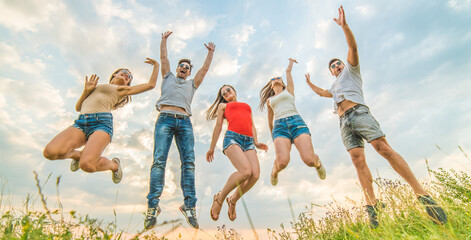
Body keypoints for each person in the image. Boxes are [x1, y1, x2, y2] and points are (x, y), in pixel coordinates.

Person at [305, 6, 447, 228]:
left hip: (359, 113)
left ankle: (422, 195)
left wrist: (344, 26)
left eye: (337, 63)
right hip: (343, 122)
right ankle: (372, 206)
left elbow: (352, 46)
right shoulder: (334, 86)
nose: (336, 66)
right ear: (331, 72)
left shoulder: (351, 71)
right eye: (332, 66)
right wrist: (309, 83)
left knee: (383, 148)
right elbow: (321, 92)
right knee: (357, 159)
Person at [43, 58, 160, 184]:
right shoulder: (95, 87)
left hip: (101, 124)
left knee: (87, 165)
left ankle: (114, 166)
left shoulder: (121, 90)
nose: (127, 75)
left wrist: (156, 66)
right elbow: (78, 108)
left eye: (129, 77)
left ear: (127, 84)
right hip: (81, 122)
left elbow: (150, 85)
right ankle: (77, 155)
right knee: (50, 152)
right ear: (114, 74)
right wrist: (86, 91)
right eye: (124, 72)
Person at [144, 31, 215, 230]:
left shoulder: (192, 84)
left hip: (184, 122)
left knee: (189, 163)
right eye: (181, 66)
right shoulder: (167, 77)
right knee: (159, 160)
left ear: (189, 73)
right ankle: (152, 206)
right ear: (177, 69)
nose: (183, 68)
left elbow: (205, 68)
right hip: (165, 120)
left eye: (187, 68)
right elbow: (163, 58)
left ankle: (189, 206)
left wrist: (210, 52)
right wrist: (163, 39)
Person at [259, 58, 326, 186]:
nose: (275, 79)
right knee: (282, 162)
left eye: (278, 78)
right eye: (272, 79)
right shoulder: (270, 100)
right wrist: (273, 135)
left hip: (297, 123)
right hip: (279, 128)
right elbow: (269, 120)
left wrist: (290, 62)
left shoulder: (289, 91)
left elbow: (288, 71)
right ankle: (274, 171)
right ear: (271, 85)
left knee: (309, 160)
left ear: (283, 83)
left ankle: (318, 164)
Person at [206, 85, 268, 221]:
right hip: (232, 138)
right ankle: (220, 198)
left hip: (249, 141)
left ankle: (232, 200)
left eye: (228, 90)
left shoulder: (247, 106)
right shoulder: (223, 106)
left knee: (255, 175)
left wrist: (256, 142)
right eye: (223, 93)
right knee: (245, 171)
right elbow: (218, 126)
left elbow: (252, 125)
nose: (226, 93)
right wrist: (211, 147)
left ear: (234, 91)